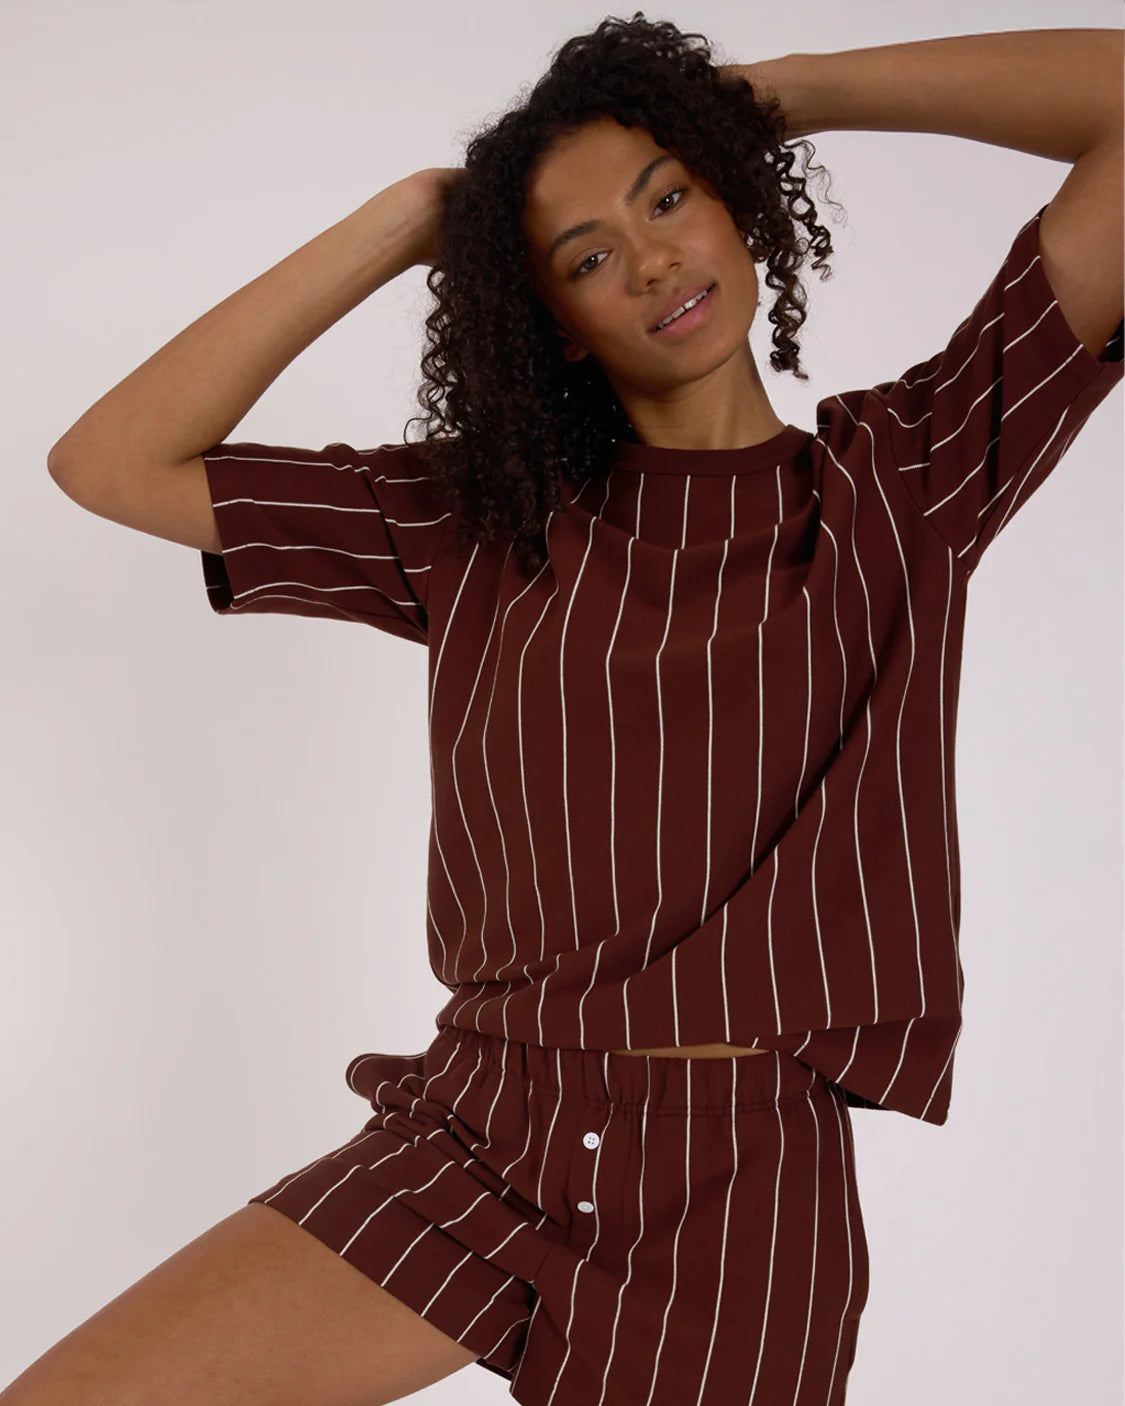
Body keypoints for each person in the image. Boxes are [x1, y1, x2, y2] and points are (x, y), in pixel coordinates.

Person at [22, 13, 1124, 1406]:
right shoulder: (478, 521)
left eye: (670, 196)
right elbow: (110, 462)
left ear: (734, 200)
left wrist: (762, 100)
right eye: (587, 256)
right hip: (476, 1129)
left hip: (732, 1193)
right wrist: (403, 222)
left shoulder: (907, 481)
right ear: (548, 317)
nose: (651, 259)